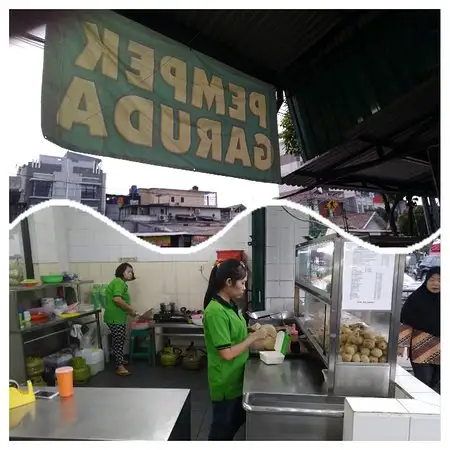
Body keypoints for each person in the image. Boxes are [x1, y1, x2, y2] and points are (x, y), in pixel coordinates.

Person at [203, 259, 267, 441]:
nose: (245, 287)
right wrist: (252, 338)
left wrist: (251, 331)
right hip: (226, 381)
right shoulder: (215, 312)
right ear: (229, 282)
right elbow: (226, 353)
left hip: (237, 376)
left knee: (234, 423)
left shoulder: (230, 305)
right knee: (221, 432)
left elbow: (234, 334)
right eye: (242, 283)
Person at [399, 266, 440, 393]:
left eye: (440, 280)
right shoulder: (416, 299)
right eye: (432, 279)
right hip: (421, 349)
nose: (435, 283)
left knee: (438, 384)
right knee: (423, 384)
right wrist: (402, 345)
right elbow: (406, 323)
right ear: (426, 280)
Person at [104, 263, 139, 376]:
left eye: (131, 272)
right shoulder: (119, 282)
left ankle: (120, 360)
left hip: (117, 317)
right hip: (115, 318)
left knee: (120, 339)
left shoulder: (120, 283)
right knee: (118, 340)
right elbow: (117, 300)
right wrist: (131, 310)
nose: (131, 273)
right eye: (128, 271)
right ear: (121, 271)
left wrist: (129, 311)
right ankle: (119, 366)